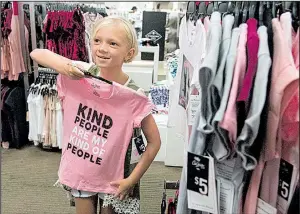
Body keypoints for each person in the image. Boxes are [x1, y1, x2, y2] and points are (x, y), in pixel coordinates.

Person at [30, 16, 161, 214]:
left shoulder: (133, 95)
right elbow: (37, 53)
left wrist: (132, 180)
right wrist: (65, 67)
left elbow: (154, 142)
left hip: (116, 175)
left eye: (113, 43)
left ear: (129, 53)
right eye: (97, 41)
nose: (102, 48)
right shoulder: (81, 72)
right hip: (82, 169)